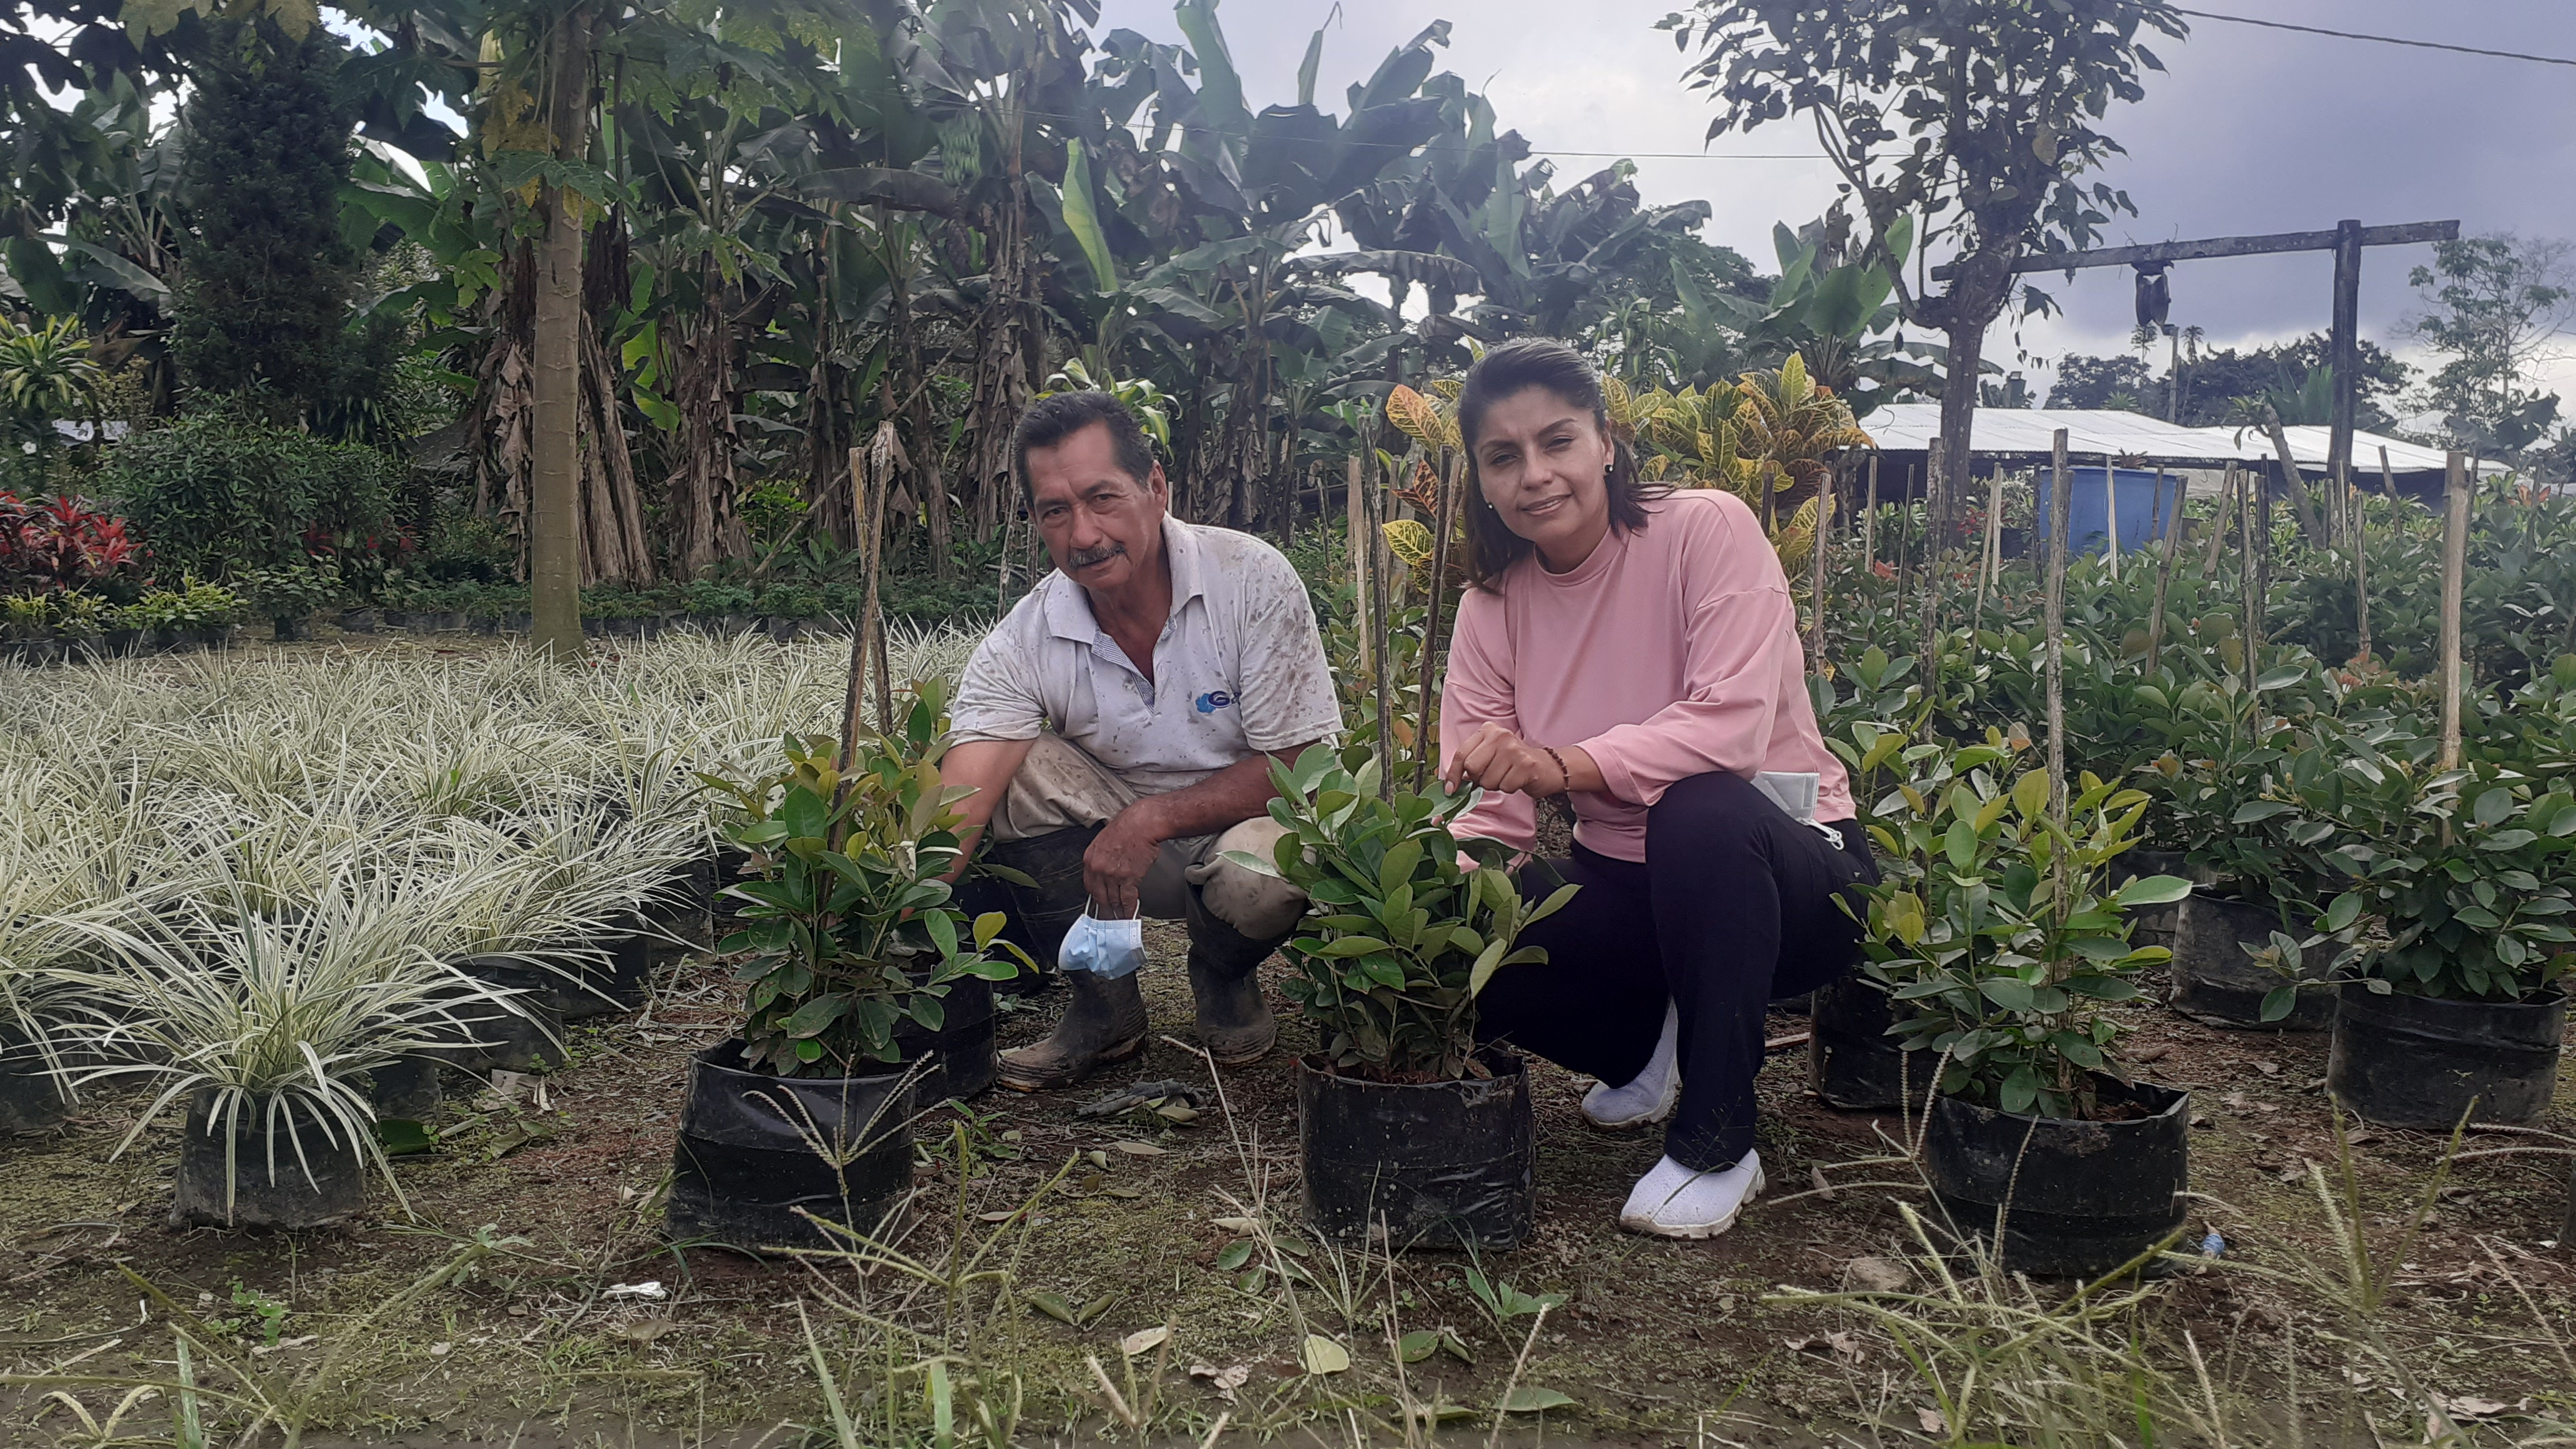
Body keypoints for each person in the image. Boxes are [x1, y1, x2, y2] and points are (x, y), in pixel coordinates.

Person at [1436, 338, 1877, 1241]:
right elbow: (1489, 817)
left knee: (1700, 809)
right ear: (1481, 479)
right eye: (1503, 456)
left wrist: (1562, 764)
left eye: (1558, 441)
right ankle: (1644, 1048)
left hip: (1785, 875)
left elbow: (1733, 728)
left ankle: (1719, 1142)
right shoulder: (1492, 607)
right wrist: (1427, 902)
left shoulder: (1704, 530)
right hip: (1627, 885)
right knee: (1463, 919)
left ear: (1606, 442)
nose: (1535, 475)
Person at [942, 391, 1341, 1091]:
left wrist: (1151, 819)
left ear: (1156, 487)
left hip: (1239, 834)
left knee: (1271, 868)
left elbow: (1298, 765)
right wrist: (875, 919)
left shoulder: (1249, 578)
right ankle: (1104, 1009)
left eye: (1103, 499)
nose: (1084, 534)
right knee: (1016, 769)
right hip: (1108, 853)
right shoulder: (1027, 636)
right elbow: (960, 802)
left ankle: (1223, 977)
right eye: (1055, 511)